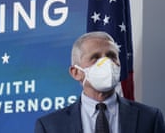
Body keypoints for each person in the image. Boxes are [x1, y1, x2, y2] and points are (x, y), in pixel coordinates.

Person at [34, 31, 165, 133]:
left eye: (111, 56)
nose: (106, 63)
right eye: (95, 57)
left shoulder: (149, 118)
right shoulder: (50, 126)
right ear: (76, 72)